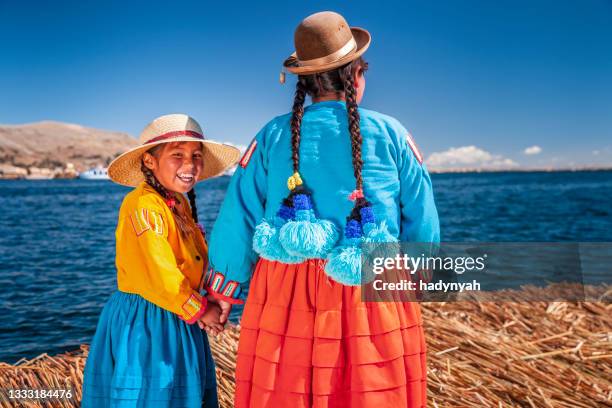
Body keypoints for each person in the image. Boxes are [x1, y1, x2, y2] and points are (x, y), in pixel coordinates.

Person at [208, 11, 440, 407]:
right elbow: (421, 216)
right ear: (357, 75)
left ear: (305, 82)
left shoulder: (272, 134)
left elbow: (240, 216)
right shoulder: (392, 133)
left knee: (285, 391)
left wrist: (223, 292)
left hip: (284, 292)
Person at [82, 114, 240, 407]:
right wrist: (201, 309)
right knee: (151, 393)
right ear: (149, 161)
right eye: (177, 155)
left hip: (175, 313)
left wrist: (214, 297)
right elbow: (159, 272)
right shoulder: (143, 205)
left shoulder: (176, 202)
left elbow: (190, 262)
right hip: (149, 320)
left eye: (196, 155)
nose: (190, 164)